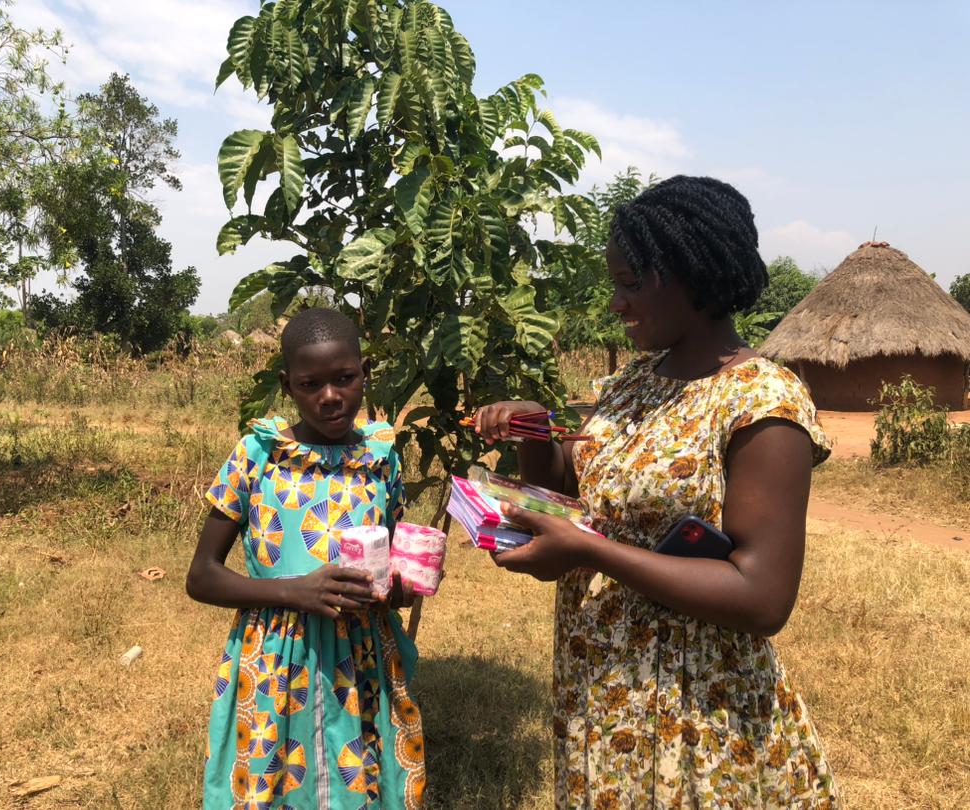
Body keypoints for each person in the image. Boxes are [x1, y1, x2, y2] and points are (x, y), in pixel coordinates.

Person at [475, 176, 839, 809]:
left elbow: (762, 597)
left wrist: (588, 552)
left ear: (691, 276)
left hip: (696, 707)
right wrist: (534, 432)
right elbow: (570, 490)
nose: (616, 303)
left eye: (630, 284)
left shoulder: (763, 401)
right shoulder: (632, 383)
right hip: (604, 688)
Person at [186, 307, 425, 810]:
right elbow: (201, 577)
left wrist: (400, 587)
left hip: (362, 661)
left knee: (360, 782)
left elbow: (388, 560)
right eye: (310, 384)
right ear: (287, 386)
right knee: (277, 783)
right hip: (279, 663)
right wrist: (294, 591)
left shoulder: (380, 458)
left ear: (365, 373)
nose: (330, 396)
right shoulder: (258, 456)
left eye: (345, 378)